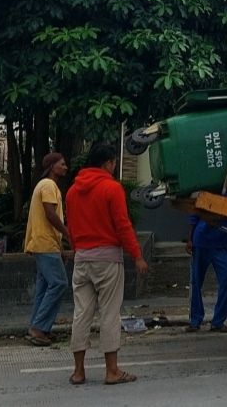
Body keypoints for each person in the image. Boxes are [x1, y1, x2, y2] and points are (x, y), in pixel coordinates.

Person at [65, 143, 148, 386]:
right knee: (110, 313)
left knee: (81, 314)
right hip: (108, 259)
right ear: (107, 164)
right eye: (114, 163)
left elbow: (71, 227)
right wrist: (137, 256)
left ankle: (78, 371)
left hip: (82, 259)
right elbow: (123, 225)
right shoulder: (112, 188)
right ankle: (112, 370)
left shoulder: (72, 192)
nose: (115, 167)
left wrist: (78, 249)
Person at [23, 152, 71, 347]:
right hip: (44, 243)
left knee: (43, 289)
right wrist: (69, 234)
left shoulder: (44, 185)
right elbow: (50, 215)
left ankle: (38, 328)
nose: (66, 167)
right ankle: (38, 328)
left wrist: (60, 246)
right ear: (52, 167)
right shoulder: (49, 185)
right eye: (62, 164)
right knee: (59, 283)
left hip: (44, 242)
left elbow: (48, 219)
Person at [185, 215, 227, 333]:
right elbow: (194, 215)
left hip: (220, 243)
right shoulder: (205, 197)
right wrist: (190, 239)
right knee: (196, 281)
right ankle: (195, 320)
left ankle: (218, 321)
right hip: (202, 241)